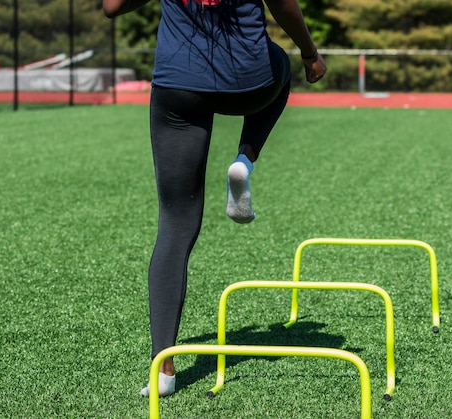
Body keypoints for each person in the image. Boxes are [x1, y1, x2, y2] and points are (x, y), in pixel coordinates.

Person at [103, 0, 326, 397]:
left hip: (178, 88)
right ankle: (245, 158)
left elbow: (112, 6)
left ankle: (163, 370)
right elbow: (285, 6)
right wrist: (309, 53)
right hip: (250, 82)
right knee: (282, 61)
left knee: (174, 226)